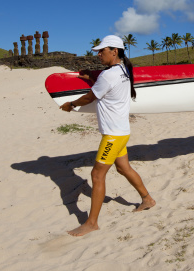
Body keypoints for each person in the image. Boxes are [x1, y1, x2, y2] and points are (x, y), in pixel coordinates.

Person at [60, 35, 155, 237]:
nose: (99, 54)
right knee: (123, 168)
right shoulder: (123, 70)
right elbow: (106, 88)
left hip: (112, 135)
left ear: (115, 51)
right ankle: (147, 199)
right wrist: (92, 78)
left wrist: (71, 105)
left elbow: (90, 96)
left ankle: (92, 223)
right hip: (122, 132)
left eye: (102, 51)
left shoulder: (109, 75)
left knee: (97, 175)